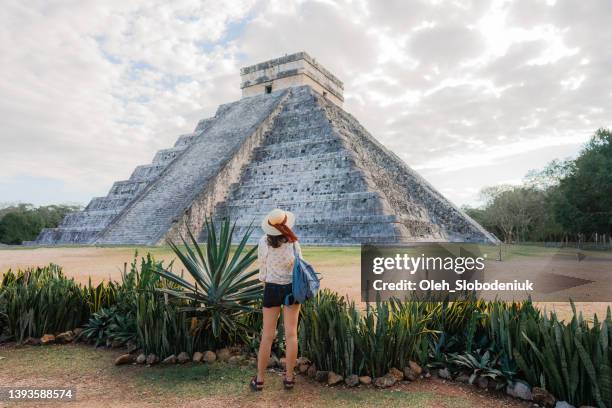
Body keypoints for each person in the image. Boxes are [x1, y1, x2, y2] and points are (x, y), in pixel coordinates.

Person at [250, 208, 302, 391]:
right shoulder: (293, 243)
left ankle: (260, 379)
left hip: (271, 288)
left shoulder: (263, 242)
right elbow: (299, 265)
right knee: (291, 334)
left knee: (267, 336)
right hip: (291, 290)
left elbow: (262, 269)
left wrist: (267, 284)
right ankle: (288, 378)